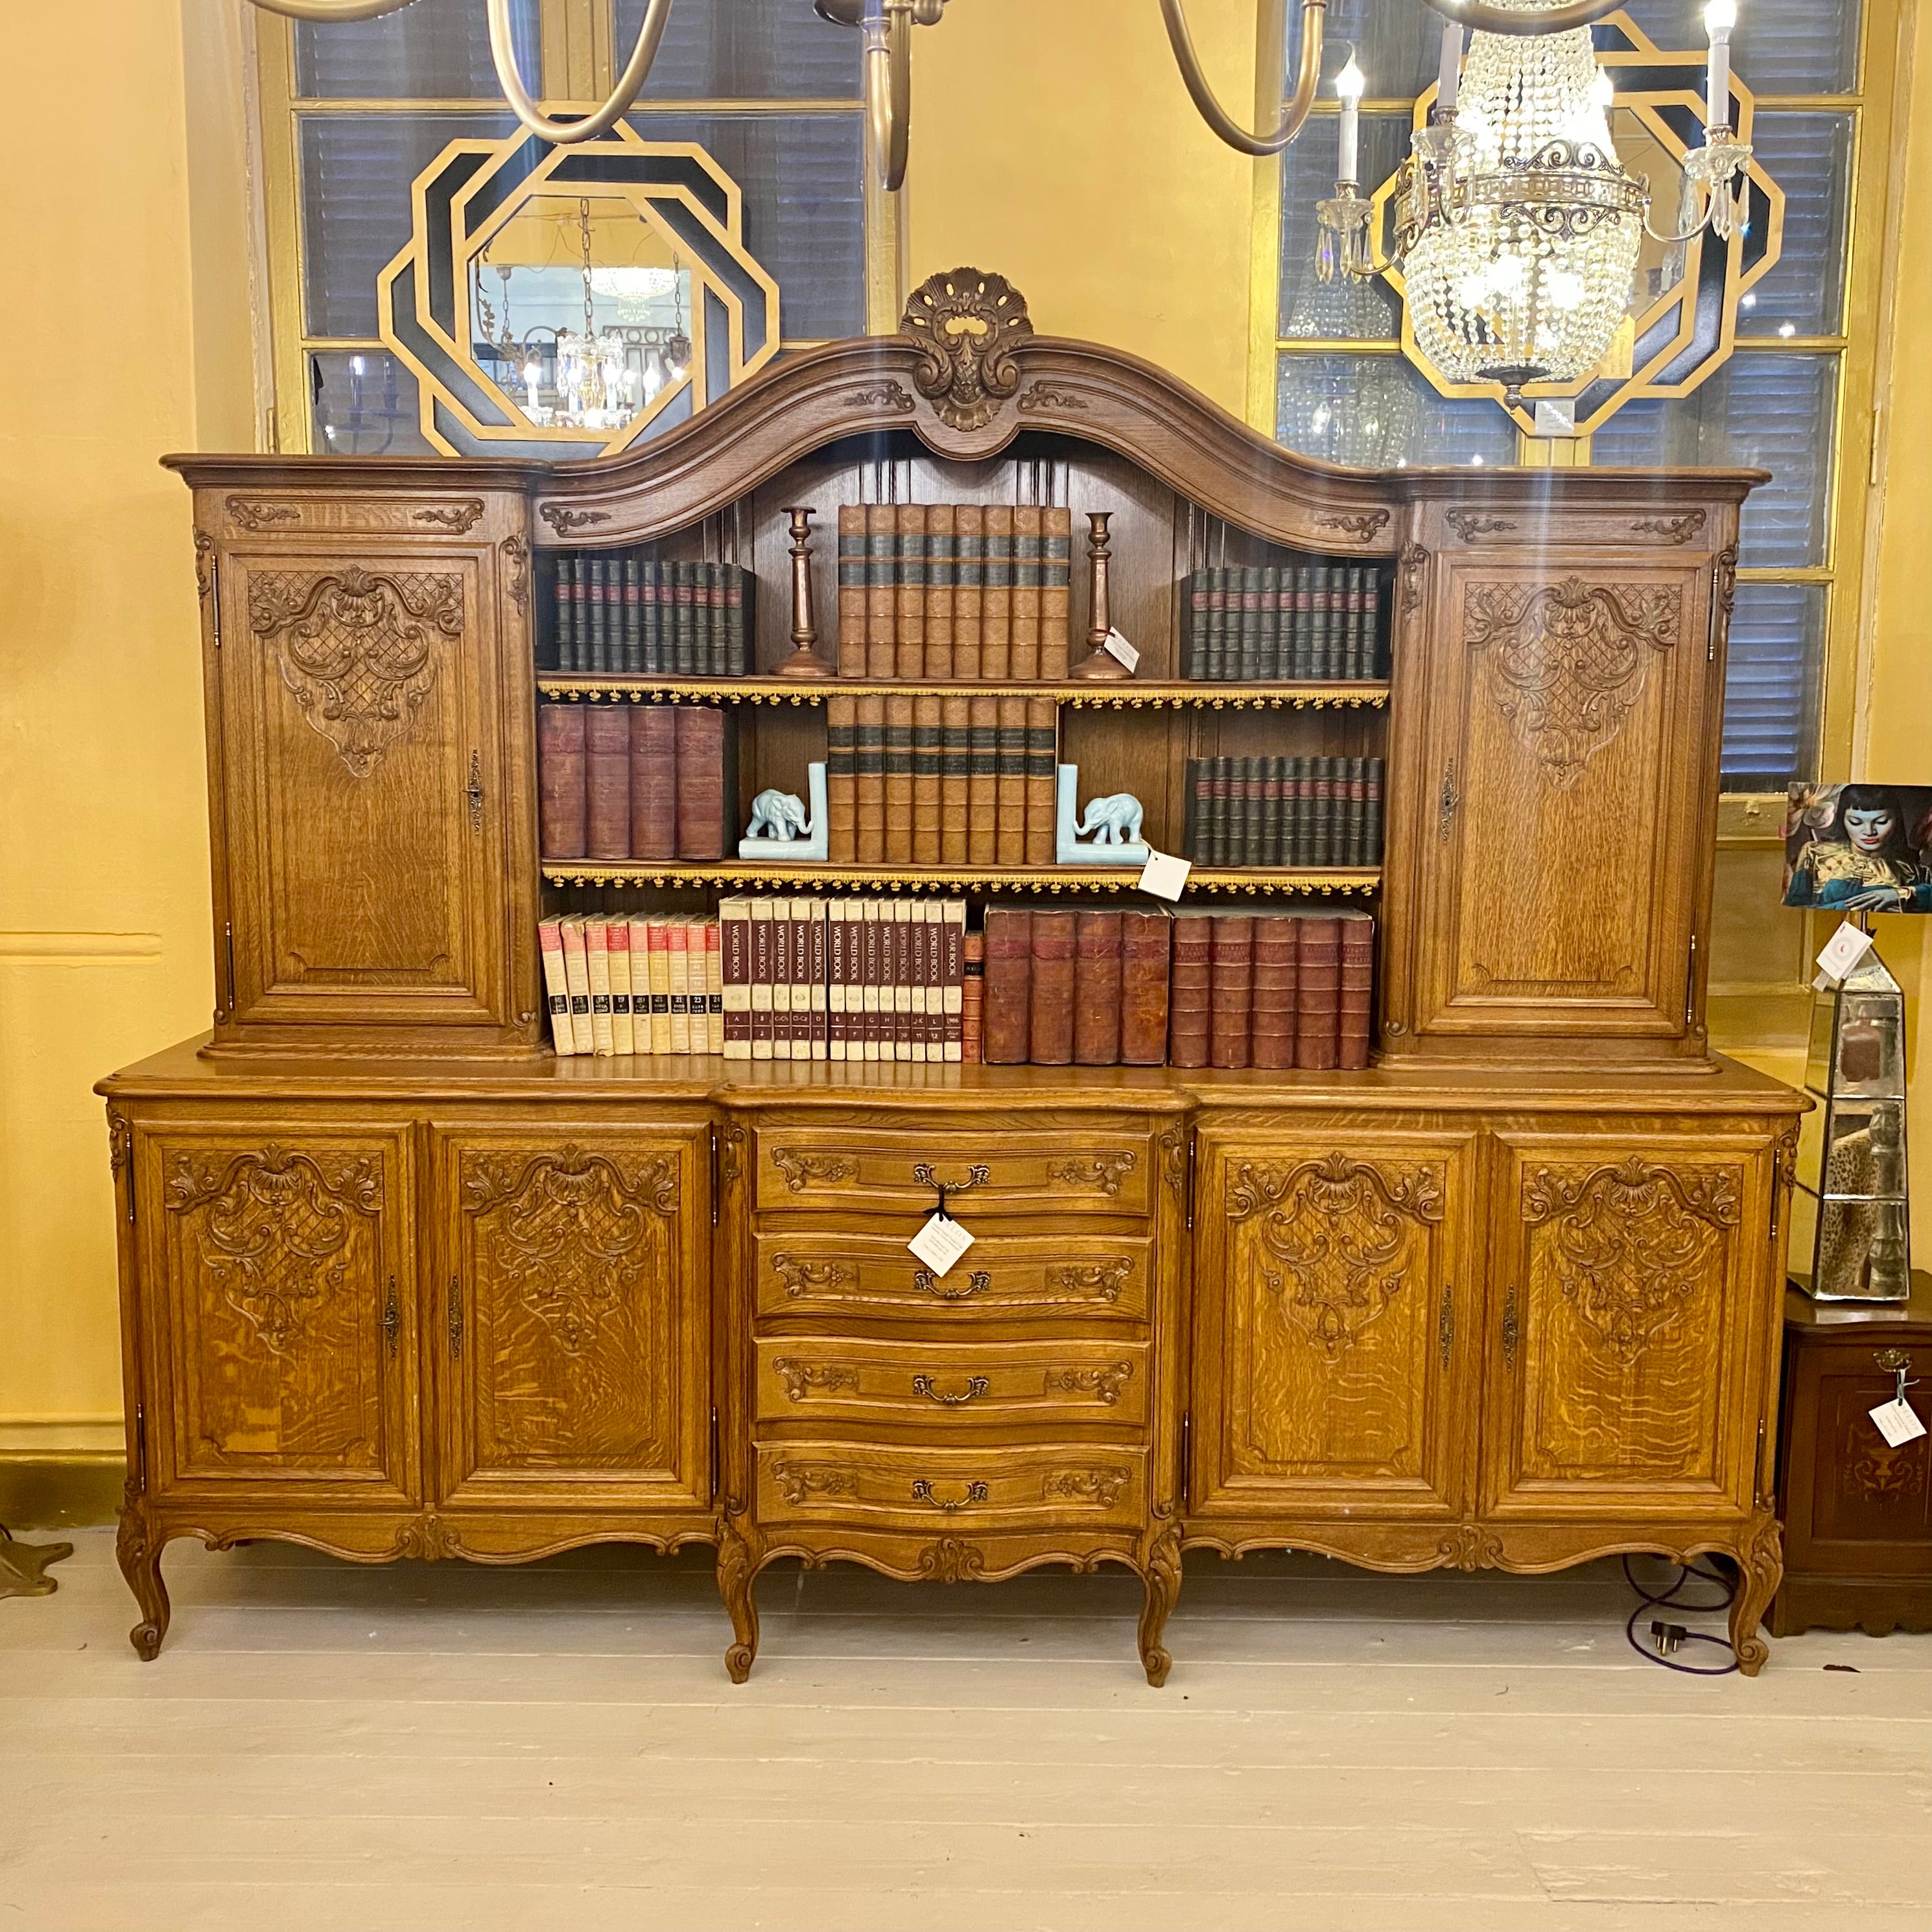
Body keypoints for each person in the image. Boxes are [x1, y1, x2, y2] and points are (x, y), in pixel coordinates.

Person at [1785, 784, 1932, 911]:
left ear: (1896, 821)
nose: (1869, 832)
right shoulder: (1815, 853)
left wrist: (1900, 894)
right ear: (1843, 820)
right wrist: (1844, 907)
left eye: (1881, 822)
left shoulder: (1914, 871)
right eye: (1856, 822)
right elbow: (1796, 909)